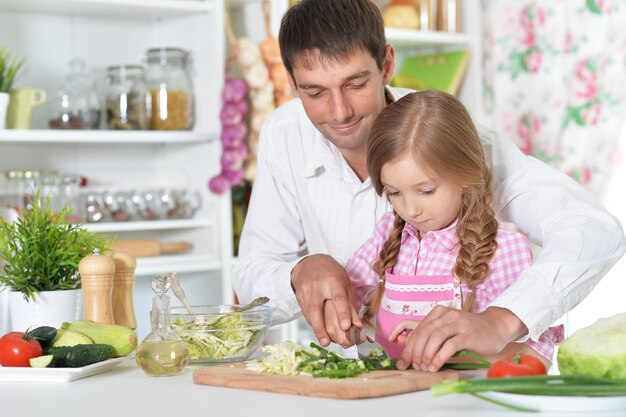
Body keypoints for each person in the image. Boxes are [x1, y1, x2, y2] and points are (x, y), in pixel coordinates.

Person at [232, 0, 626, 371]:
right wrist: (300, 271)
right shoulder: (284, 134)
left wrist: (502, 320)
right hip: (354, 380)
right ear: (291, 82)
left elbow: (593, 228)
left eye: (355, 84)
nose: (340, 112)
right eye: (315, 92)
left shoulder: (445, 137)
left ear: (386, 65)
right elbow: (251, 274)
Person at [347, 90, 562, 369]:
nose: (410, 209)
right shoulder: (390, 233)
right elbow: (351, 290)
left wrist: (457, 355)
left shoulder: (503, 249)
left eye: (426, 190)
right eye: (394, 193)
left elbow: (536, 357)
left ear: (465, 173)